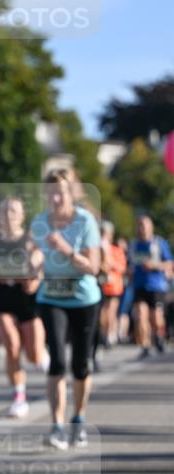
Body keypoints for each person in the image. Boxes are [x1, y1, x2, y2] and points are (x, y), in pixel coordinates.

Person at [30, 169, 101, 450]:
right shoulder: (40, 222)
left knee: (81, 365)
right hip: (51, 298)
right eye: (50, 193)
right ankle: (57, 425)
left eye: (60, 192)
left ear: (71, 193)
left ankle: (78, 419)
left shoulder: (85, 222)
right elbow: (35, 251)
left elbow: (93, 267)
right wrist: (33, 268)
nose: (55, 198)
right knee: (58, 361)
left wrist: (67, 249)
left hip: (84, 299)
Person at [0, 197, 48, 418]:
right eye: (5, 210)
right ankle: (19, 397)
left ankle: (42, 357)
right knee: (11, 345)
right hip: (3, 295)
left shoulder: (30, 239)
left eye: (14, 210)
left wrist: (35, 276)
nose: (9, 214)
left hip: (26, 295)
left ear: (22, 216)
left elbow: (39, 261)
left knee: (33, 355)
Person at [128, 214, 173, 359]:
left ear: (151, 226)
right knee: (141, 315)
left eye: (145, 224)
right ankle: (145, 345)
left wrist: (154, 266)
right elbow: (129, 264)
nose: (142, 227)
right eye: (140, 224)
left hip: (157, 286)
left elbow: (169, 264)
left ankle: (159, 336)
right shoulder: (133, 245)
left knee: (156, 318)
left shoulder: (159, 243)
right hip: (139, 286)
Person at [93, 221, 127, 368]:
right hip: (101, 286)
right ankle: (103, 336)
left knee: (110, 312)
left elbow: (121, 267)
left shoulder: (115, 250)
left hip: (114, 287)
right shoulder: (97, 248)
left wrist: (110, 261)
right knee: (102, 314)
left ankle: (109, 336)